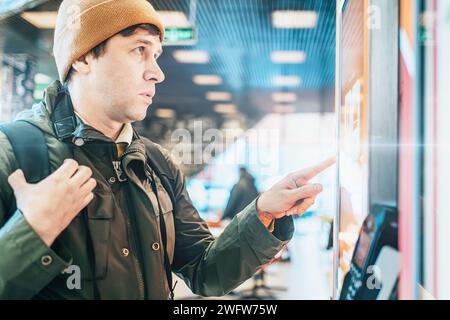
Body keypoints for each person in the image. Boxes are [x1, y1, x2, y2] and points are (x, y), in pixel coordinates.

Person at [0, 0, 335, 299]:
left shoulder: (155, 165)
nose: (157, 73)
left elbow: (206, 272)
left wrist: (263, 213)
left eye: (156, 55)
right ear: (84, 56)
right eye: (139, 50)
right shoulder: (14, 156)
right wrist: (31, 233)